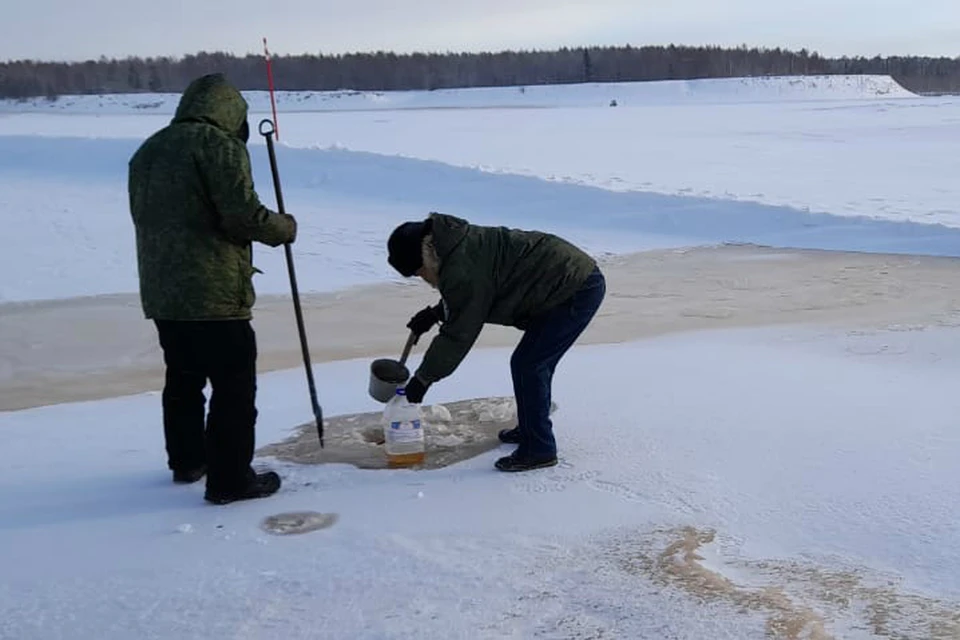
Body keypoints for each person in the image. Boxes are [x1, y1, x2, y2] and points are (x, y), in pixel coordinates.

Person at [127, 73, 297, 504]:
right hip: (214, 292)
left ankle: (188, 461)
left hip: (164, 293)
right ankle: (230, 479)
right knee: (233, 386)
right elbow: (241, 216)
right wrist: (283, 228)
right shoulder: (218, 147)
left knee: (183, 378)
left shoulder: (149, 150)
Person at [386, 212, 605, 472]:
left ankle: (539, 448)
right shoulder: (453, 244)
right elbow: (476, 295)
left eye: (420, 273)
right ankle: (530, 429)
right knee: (532, 363)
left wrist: (421, 381)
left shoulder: (459, 267)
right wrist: (435, 313)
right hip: (562, 279)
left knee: (530, 364)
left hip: (573, 288)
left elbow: (459, 333)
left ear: (423, 257)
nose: (424, 279)